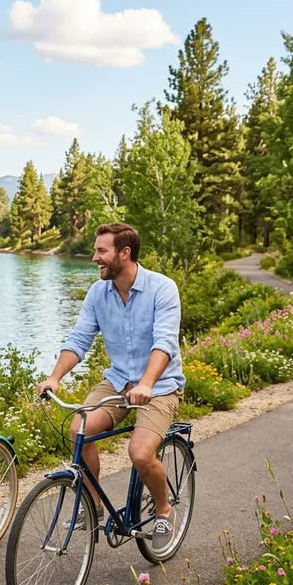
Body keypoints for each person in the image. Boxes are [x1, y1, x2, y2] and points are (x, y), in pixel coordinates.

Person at [37, 222, 185, 551]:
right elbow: (79, 340)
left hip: (159, 386)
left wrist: (147, 383)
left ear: (124, 253)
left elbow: (164, 343)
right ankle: (93, 505)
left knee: (140, 453)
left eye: (101, 251)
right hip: (118, 381)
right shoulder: (97, 293)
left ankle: (163, 510)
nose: (94, 258)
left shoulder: (162, 289)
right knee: (79, 429)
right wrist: (54, 377)